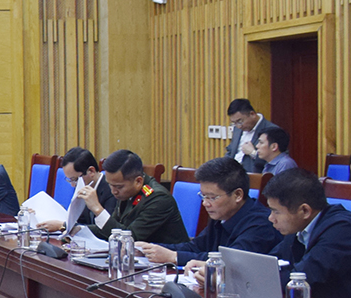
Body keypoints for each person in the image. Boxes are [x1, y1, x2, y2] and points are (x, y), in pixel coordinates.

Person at [136, 157, 278, 268]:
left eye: (212, 197)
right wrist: (149, 249)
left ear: (238, 195)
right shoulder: (222, 214)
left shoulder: (261, 223)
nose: (205, 203)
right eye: (203, 196)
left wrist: (174, 257)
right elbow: (196, 247)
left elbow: (232, 262)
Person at [263, 169, 351, 298]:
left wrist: (261, 278)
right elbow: (269, 264)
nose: (271, 218)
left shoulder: (342, 230)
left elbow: (301, 279)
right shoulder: (298, 226)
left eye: (276, 212)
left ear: (304, 211)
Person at [85, 149, 189, 244]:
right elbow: (114, 228)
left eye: (118, 186)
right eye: (110, 185)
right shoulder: (126, 191)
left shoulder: (158, 198)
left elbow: (130, 238)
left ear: (138, 181)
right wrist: (80, 229)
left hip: (166, 256)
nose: (113, 191)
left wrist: (98, 210)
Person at [38, 147, 115, 232]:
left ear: (91, 171)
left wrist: (63, 226)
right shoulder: (82, 186)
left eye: (75, 179)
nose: (72, 185)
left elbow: (107, 229)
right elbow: (80, 221)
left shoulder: (111, 189)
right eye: (70, 180)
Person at [225, 98, 272, 174]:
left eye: (240, 121)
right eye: (234, 123)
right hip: (231, 175)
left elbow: (275, 160)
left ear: (252, 114)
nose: (238, 126)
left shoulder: (271, 130)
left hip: (253, 176)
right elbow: (231, 151)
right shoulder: (237, 129)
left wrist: (253, 153)